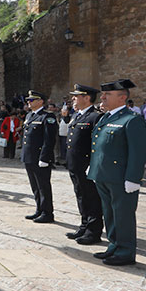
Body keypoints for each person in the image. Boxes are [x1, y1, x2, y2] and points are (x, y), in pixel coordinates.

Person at [87, 79, 146, 266]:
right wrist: (93, 166)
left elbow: (138, 152)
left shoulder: (132, 119)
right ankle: (114, 245)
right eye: (103, 94)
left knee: (123, 215)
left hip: (121, 178)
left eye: (108, 94)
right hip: (103, 175)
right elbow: (98, 145)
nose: (102, 97)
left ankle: (125, 251)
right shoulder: (105, 117)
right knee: (110, 213)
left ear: (122, 97)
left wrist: (133, 178)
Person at [64, 84, 103, 245]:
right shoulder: (78, 115)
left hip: (86, 166)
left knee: (92, 198)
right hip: (75, 165)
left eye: (76, 96)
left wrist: (92, 165)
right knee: (81, 196)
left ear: (87, 98)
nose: (73, 98)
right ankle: (84, 225)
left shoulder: (95, 117)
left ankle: (93, 231)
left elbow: (98, 145)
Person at [21, 90, 58, 223]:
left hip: (40, 157)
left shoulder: (47, 117)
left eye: (31, 100)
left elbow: (49, 140)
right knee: (35, 186)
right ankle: (39, 209)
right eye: (28, 100)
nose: (28, 102)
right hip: (29, 157)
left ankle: (47, 213)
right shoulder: (30, 115)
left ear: (40, 101)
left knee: (43, 186)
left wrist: (44, 158)